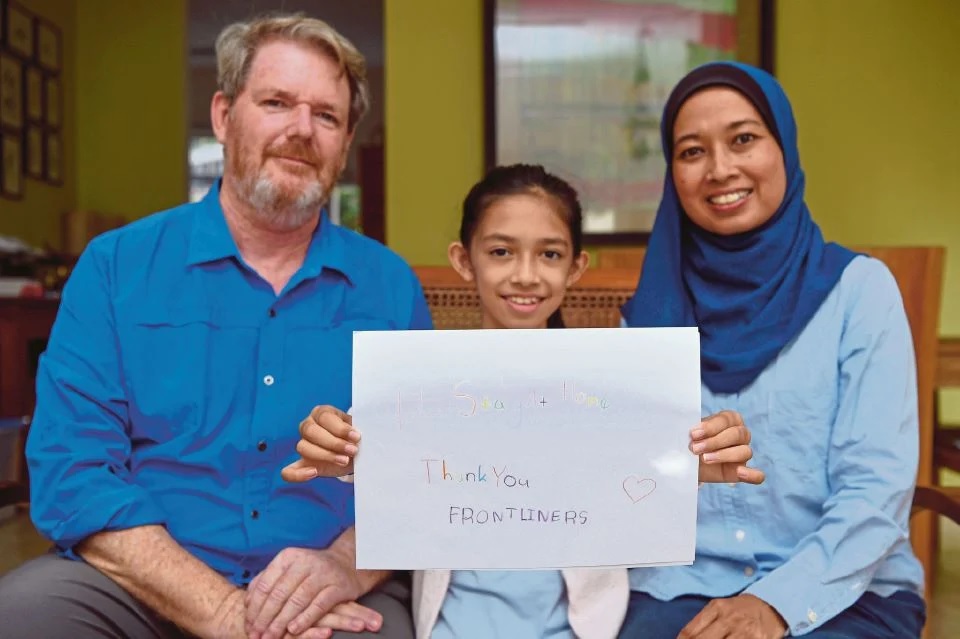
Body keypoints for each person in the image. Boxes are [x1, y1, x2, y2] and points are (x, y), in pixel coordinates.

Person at [0, 13, 430, 639]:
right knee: (21, 616)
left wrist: (343, 564)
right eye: (277, 102)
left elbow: (421, 475)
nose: (301, 129)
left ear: (344, 143)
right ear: (224, 116)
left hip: (321, 590)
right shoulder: (116, 267)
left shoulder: (390, 287)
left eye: (326, 116)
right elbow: (72, 470)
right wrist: (223, 611)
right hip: (140, 582)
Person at [282, 163, 766, 639]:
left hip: (581, 630)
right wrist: (337, 445)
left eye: (550, 254)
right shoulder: (427, 384)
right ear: (464, 260)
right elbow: (377, 451)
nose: (526, 275)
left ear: (576, 267)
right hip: (449, 628)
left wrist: (697, 463)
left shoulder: (612, 389)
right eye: (501, 252)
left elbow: (648, 471)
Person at [617, 61, 926, 638]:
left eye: (743, 139)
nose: (720, 169)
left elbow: (874, 489)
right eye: (692, 151)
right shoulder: (645, 320)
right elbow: (626, 487)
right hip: (677, 587)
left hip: (846, 589)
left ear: (783, 147)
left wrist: (776, 603)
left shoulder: (859, 294)